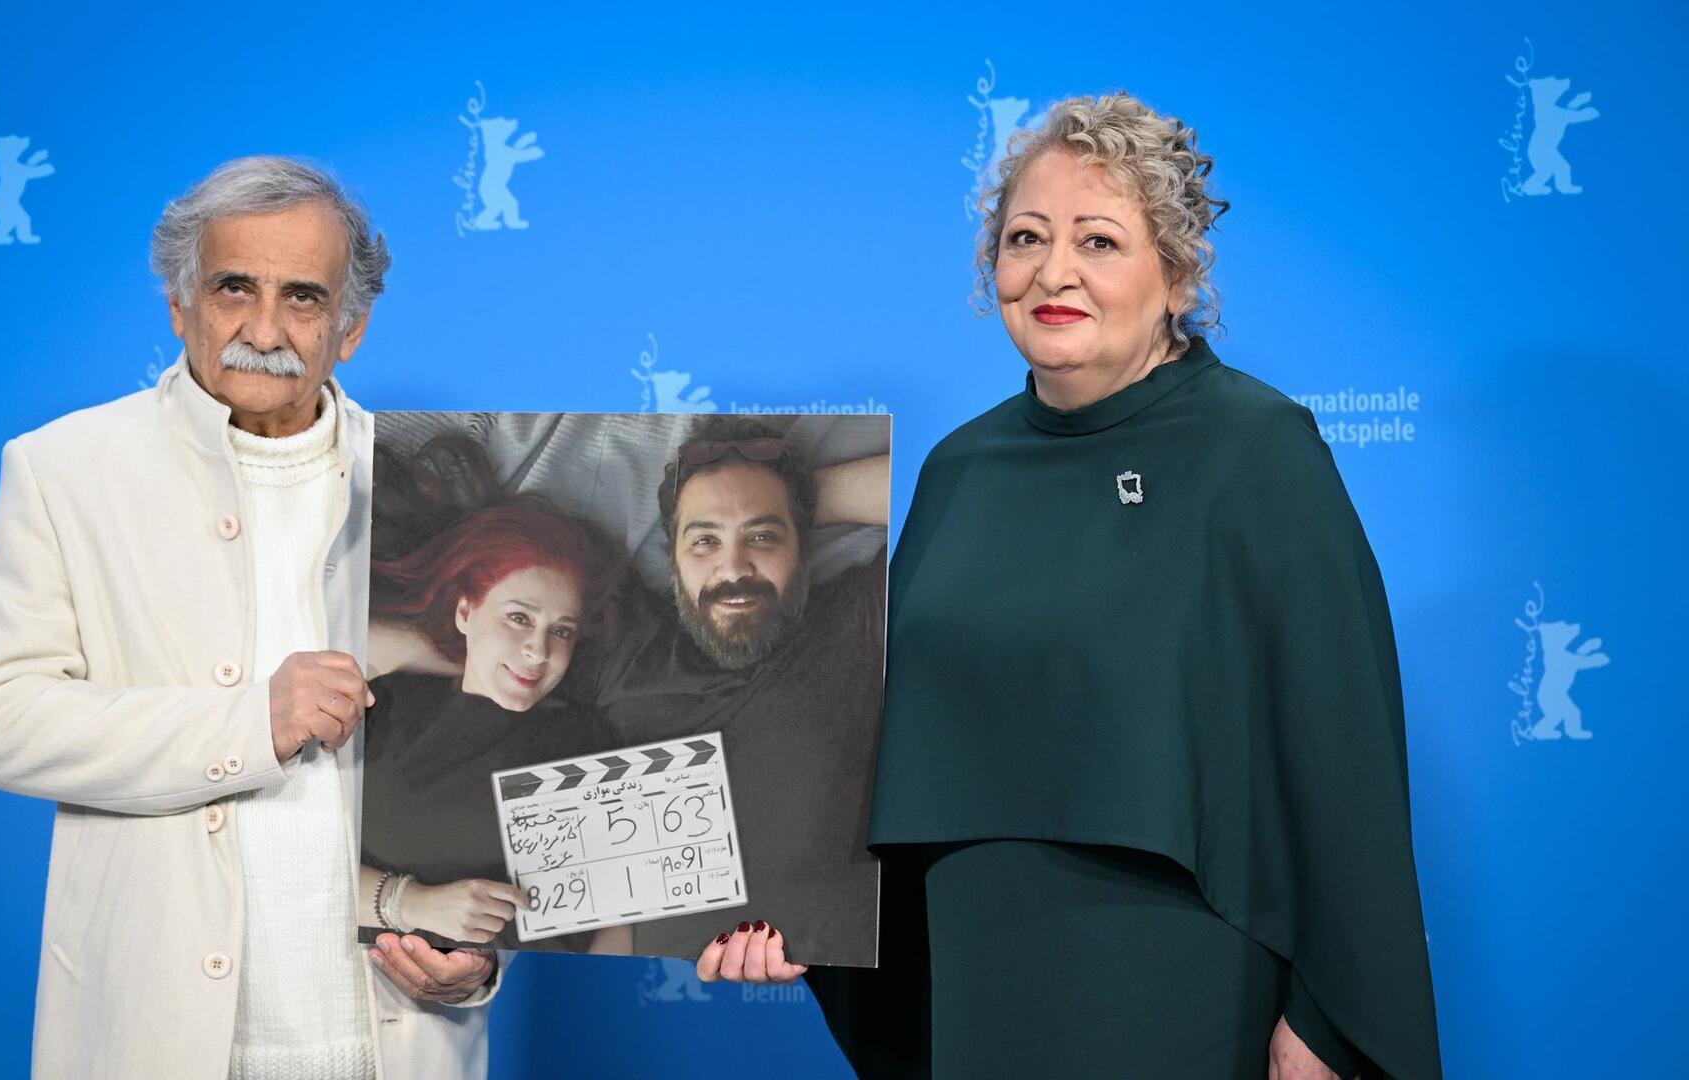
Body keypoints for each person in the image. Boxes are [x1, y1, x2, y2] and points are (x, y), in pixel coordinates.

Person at [701, 94, 1442, 1080]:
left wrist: (1325, 1020)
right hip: (972, 974)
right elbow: (878, 750)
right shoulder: (960, 470)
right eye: (1026, 239)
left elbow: (1342, 753)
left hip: (1172, 974)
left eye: (1099, 240)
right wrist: (796, 909)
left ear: (1177, 275)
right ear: (991, 270)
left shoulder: (1256, 452)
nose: (1055, 272)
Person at [0, 156, 501, 1080]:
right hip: (158, 1031)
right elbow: (1, 721)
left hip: (387, 1033)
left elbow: (496, 762)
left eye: (302, 298)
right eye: (232, 288)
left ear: (351, 328)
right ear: (179, 305)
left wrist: (477, 959)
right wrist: (251, 722)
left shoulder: (432, 486)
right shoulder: (65, 471)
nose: (262, 329)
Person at [598, 418, 890, 967]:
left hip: (836, 991)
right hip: (628, 996)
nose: (733, 567)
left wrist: (803, 495)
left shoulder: (857, 624)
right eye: (705, 539)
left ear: (803, 543)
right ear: (672, 557)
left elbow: (966, 490)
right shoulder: (620, 649)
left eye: (762, 537)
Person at [359, 497, 630, 954]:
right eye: (519, 618)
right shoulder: (389, 700)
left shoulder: (586, 740)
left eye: (561, 631)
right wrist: (415, 903)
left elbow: (619, 914)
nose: (539, 651)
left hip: (524, 996)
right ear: (465, 612)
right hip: (368, 983)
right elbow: (297, 861)